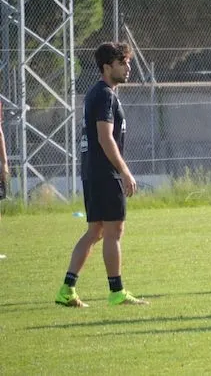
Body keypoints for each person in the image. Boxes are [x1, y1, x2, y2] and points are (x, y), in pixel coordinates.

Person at [55, 42, 148, 307]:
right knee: (113, 231)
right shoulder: (105, 95)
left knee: (95, 231)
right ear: (107, 67)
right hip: (105, 172)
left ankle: (66, 290)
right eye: (122, 63)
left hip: (93, 171)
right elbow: (105, 138)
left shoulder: (98, 93)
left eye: (128, 62)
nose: (128, 67)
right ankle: (116, 292)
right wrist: (125, 171)